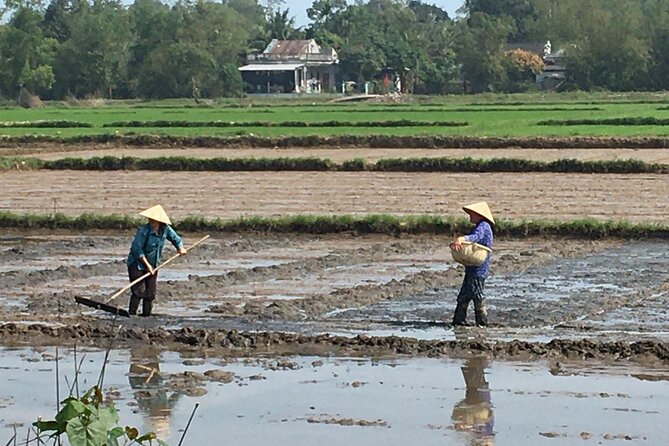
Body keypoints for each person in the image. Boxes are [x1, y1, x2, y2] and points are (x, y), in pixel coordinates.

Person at [127, 205, 186, 316]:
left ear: (159, 221)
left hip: (154, 264)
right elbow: (137, 249)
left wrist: (180, 247)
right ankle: (132, 315)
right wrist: (147, 265)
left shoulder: (165, 229)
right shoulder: (144, 232)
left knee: (150, 293)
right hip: (137, 264)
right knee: (139, 291)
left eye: (154, 220)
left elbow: (176, 239)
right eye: (150, 219)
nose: (152, 221)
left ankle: (146, 315)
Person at [450, 202, 494, 327]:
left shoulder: (483, 226)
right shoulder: (479, 225)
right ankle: (458, 321)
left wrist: (461, 239)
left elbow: (475, 237)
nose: (470, 216)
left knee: (477, 294)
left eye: (472, 213)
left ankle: (482, 322)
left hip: (478, 268)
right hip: (472, 268)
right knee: (464, 294)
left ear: (479, 214)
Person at [451, 357, 495, 445]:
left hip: (479, 412)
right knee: (477, 390)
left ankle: (474, 364)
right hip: (481, 412)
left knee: (475, 389)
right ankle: (475, 363)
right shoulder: (485, 434)